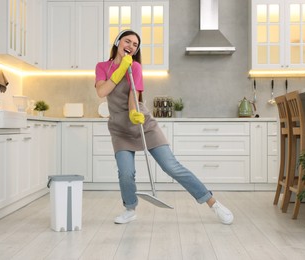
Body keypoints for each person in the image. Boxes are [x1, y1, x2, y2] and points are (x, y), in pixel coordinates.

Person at [95, 30, 234, 225]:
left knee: (172, 167)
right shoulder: (102, 67)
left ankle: (212, 202)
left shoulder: (135, 67)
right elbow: (102, 91)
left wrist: (135, 113)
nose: (131, 46)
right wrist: (119, 71)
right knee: (126, 172)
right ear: (118, 42)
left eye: (135, 45)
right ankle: (130, 208)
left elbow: (133, 97)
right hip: (119, 129)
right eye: (128, 41)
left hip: (143, 124)